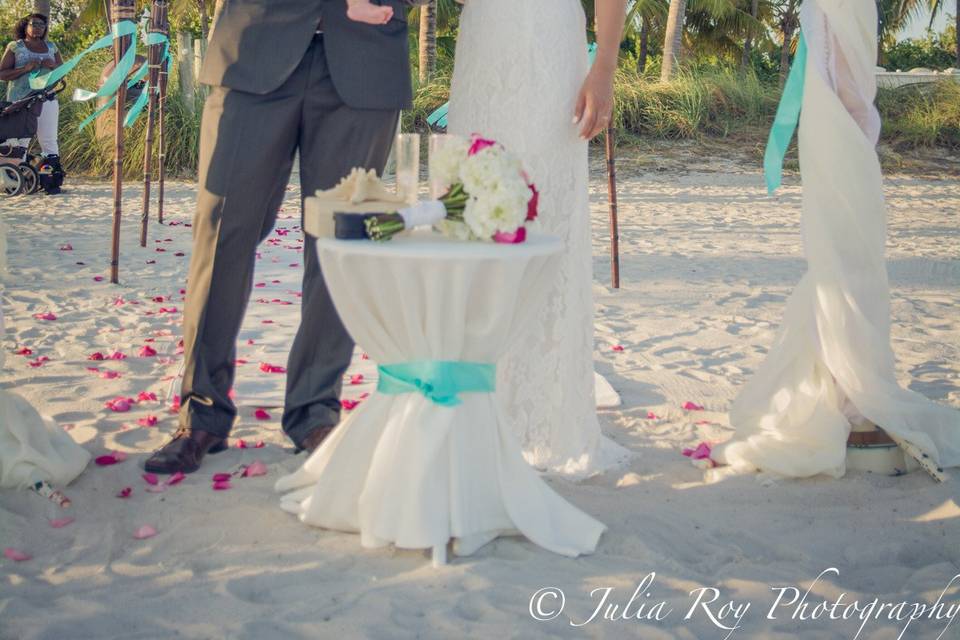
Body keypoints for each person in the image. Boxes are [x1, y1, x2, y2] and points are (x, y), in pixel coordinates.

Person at [145, 0, 429, 475]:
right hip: (254, 46)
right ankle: (201, 412)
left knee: (342, 244)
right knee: (221, 234)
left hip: (367, 64)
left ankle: (316, 411)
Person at [446, 0, 631, 477]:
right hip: (483, 47)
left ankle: (543, 417)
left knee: (548, 218)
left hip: (552, 51)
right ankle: (472, 412)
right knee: (474, 221)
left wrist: (604, 67)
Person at [0, 13, 63, 192]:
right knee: (21, 140)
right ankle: (16, 180)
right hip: (21, 100)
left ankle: (51, 182)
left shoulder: (52, 47)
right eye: (34, 23)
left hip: (47, 98)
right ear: (25, 26)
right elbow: (2, 74)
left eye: (42, 25)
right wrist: (24, 69)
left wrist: (54, 68)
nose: (38, 27)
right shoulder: (15, 47)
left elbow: (62, 73)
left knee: (49, 139)